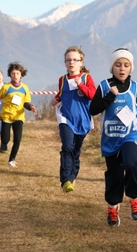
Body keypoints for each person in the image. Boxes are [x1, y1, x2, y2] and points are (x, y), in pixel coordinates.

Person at [89, 48, 137, 227]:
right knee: (114, 174)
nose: (122, 68)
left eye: (126, 65)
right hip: (111, 138)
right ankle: (112, 207)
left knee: (132, 162)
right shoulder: (104, 86)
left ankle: (134, 198)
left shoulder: (135, 86)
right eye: (118, 65)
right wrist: (110, 96)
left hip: (130, 134)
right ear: (112, 68)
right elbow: (93, 109)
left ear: (131, 68)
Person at [51, 46, 96, 193]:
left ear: (81, 62)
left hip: (82, 120)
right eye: (68, 60)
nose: (72, 63)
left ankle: (72, 176)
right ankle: (66, 180)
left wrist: (80, 85)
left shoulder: (87, 78)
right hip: (65, 118)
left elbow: (93, 95)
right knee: (67, 147)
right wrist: (57, 98)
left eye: (75, 60)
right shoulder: (62, 79)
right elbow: (63, 93)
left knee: (76, 151)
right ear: (65, 63)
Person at [0, 62, 38, 168]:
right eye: (13, 73)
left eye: (17, 73)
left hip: (19, 116)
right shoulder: (6, 87)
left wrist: (31, 107)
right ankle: (3, 143)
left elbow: (25, 103)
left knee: (17, 139)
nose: (15, 75)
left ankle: (12, 159)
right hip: (7, 116)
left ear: (21, 75)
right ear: (10, 75)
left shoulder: (25, 88)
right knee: (5, 139)